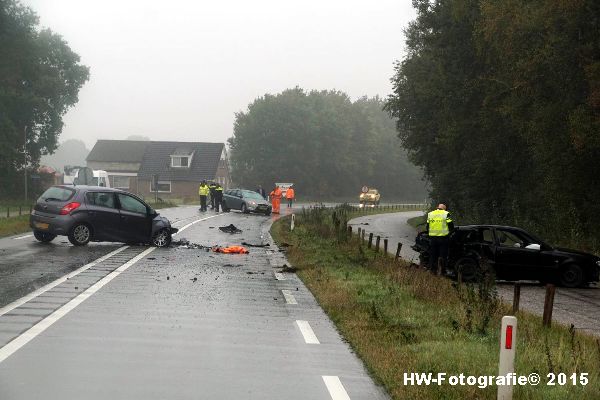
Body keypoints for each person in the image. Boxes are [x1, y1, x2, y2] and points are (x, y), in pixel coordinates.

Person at [426, 203, 454, 275]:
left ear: (437, 207)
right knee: (442, 255)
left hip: (433, 238)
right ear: (445, 209)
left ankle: (432, 270)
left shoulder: (430, 214)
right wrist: (450, 233)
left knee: (433, 254)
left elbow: (427, 226)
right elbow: (451, 226)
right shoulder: (446, 214)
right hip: (443, 238)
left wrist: (430, 234)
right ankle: (442, 271)